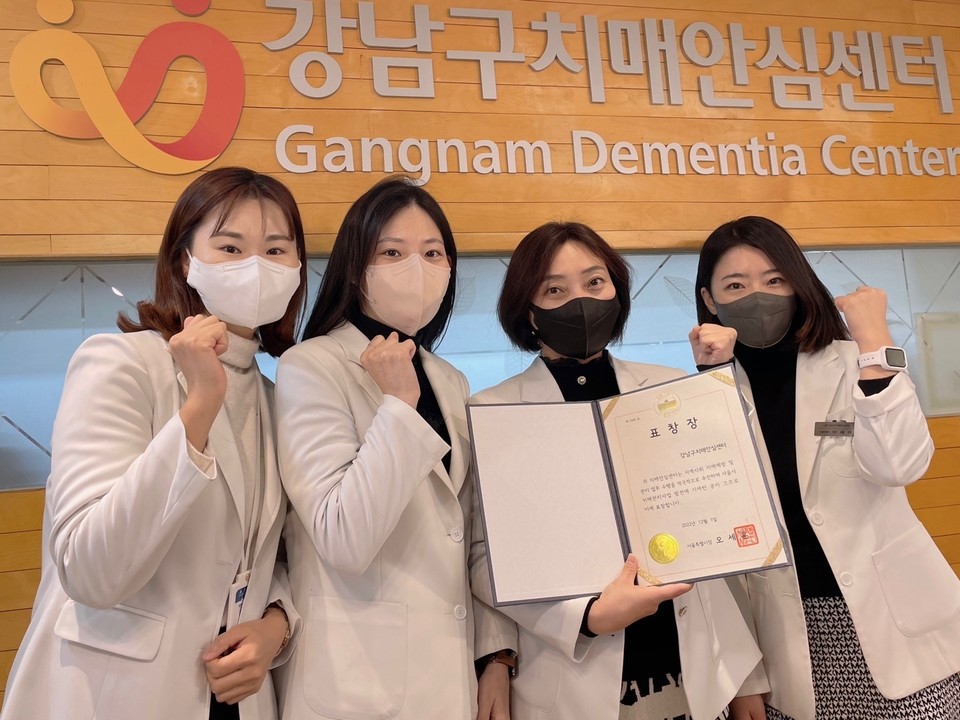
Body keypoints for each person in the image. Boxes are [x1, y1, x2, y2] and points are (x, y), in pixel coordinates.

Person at [0, 167, 307, 720]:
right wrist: (200, 405)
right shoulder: (121, 364)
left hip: (234, 695)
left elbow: (271, 555)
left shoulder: (273, 396)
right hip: (113, 692)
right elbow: (89, 568)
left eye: (276, 250)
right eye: (230, 247)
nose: (256, 267)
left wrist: (275, 625)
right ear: (185, 261)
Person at [469, 221, 768, 720]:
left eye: (595, 282)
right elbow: (486, 556)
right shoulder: (493, 411)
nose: (580, 302)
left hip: (696, 669)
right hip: (571, 675)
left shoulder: (668, 388)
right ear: (529, 312)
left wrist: (744, 676)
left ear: (617, 291)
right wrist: (584, 618)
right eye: (554, 290)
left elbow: (717, 528)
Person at [690, 215, 960, 720]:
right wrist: (744, 675)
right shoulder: (708, 392)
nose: (758, 296)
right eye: (735, 285)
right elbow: (715, 541)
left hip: (894, 619)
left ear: (798, 283)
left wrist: (873, 340)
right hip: (789, 632)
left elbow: (900, 464)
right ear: (709, 300)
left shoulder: (856, 361)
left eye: (775, 279)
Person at [273, 176, 516, 720]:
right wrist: (398, 406)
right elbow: (343, 536)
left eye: (433, 253)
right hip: (356, 681)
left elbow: (467, 532)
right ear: (354, 267)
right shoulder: (311, 365)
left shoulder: (448, 378)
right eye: (392, 252)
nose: (417, 268)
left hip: (449, 674)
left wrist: (495, 653)